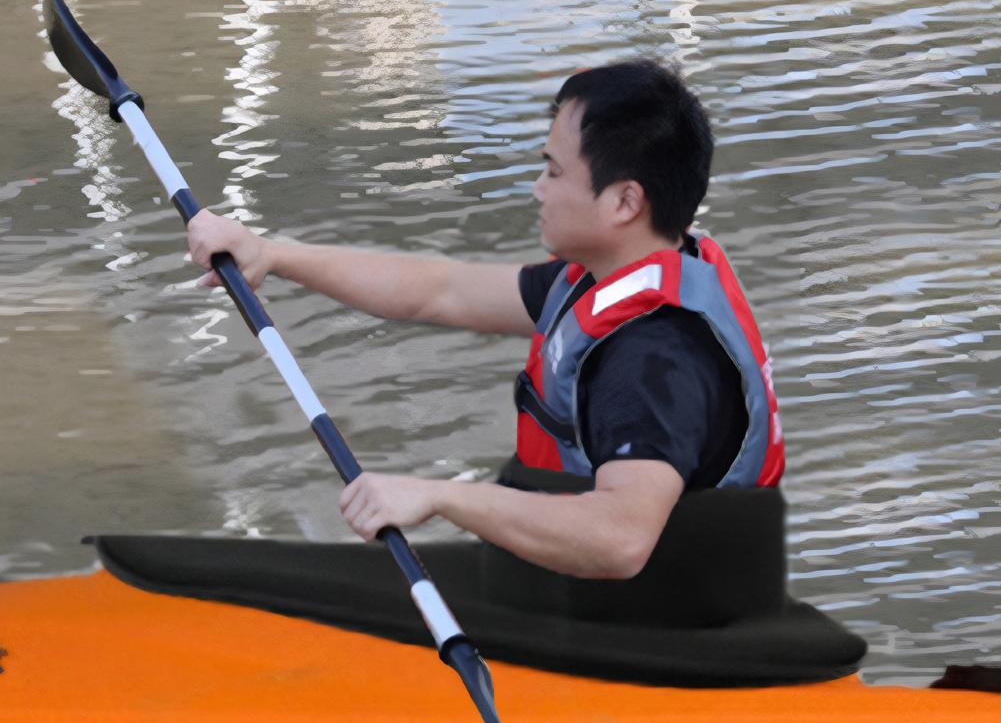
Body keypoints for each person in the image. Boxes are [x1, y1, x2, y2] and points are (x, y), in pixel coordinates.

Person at [186, 58, 783, 583]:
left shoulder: (654, 355)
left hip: (660, 620)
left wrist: (440, 497)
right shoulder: (609, 274)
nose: (538, 189)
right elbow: (439, 292)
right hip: (594, 587)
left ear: (625, 202)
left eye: (553, 172)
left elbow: (620, 540)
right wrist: (270, 254)